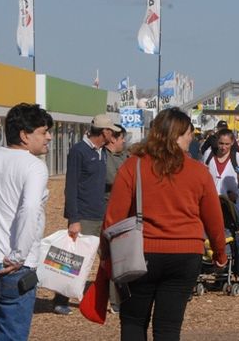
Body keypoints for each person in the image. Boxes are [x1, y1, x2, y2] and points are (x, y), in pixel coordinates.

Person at [102, 108, 228, 339]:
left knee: (133, 321)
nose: (191, 138)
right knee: (168, 328)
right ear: (177, 134)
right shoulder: (199, 172)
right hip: (185, 253)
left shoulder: (134, 166)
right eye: (189, 133)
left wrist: (106, 256)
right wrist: (220, 253)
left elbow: (113, 218)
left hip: (140, 252)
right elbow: (214, 219)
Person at [0, 103, 53, 340]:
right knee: (11, 334)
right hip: (15, 264)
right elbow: (30, 209)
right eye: (43, 131)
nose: (49, 137)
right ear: (25, 135)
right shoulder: (34, 166)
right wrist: (19, 255)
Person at [54, 114, 122, 315]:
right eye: (112, 131)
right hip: (83, 217)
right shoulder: (79, 151)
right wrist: (73, 219)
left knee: (109, 257)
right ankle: (61, 300)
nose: (115, 134)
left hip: (101, 215)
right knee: (73, 260)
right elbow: (71, 186)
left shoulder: (102, 152)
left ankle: (116, 302)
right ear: (105, 132)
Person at [103, 123, 128, 314]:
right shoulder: (103, 157)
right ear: (112, 139)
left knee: (116, 255)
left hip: (123, 212)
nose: (124, 142)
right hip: (103, 211)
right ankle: (63, 293)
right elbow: (112, 178)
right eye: (122, 138)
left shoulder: (126, 156)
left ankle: (116, 299)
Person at [203, 129, 239, 220]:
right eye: (221, 143)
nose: (223, 147)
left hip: (231, 207)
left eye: (227, 144)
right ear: (217, 142)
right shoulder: (209, 155)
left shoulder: (237, 158)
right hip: (211, 204)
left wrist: (237, 193)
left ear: (232, 143)